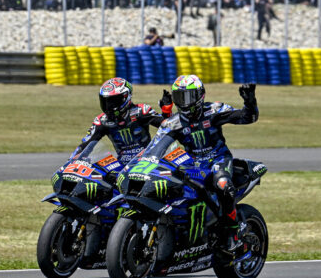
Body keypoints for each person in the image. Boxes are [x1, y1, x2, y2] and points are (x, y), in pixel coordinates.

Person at [152, 75, 258, 254]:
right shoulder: (173, 123)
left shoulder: (214, 110)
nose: (185, 103)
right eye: (180, 97)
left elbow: (249, 117)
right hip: (191, 164)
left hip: (218, 160)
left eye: (189, 97)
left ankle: (232, 232)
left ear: (200, 96)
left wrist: (249, 101)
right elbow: (155, 148)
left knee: (223, 184)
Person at [71, 78, 173, 177]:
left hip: (146, 162)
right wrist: (72, 163)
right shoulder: (102, 121)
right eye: (105, 101)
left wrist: (166, 112)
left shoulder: (141, 111)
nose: (108, 106)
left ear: (125, 97)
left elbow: (168, 127)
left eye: (112, 101)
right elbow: (85, 144)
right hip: (121, 166)